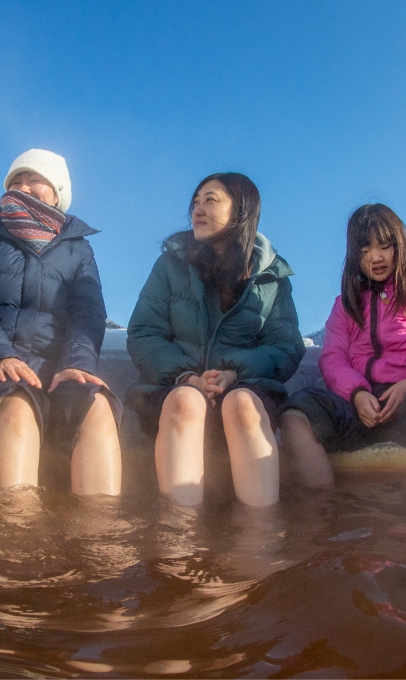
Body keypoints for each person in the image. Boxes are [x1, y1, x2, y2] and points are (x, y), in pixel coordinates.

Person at [0, 149, 122, 495]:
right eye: (16, 181)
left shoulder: (78, 249)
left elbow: (89, 312)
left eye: (35, 180)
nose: (23, 186)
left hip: (54, 372)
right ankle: (15, 536)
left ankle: (99, 537)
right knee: (18, 404)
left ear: (57, 193)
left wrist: (75, 365)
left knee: (96, 407)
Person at [126, 172, 303, 507]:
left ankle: (260, 540)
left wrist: (235, 374)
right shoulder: (170, 265)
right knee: (185, 401)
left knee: (243, 404)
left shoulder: (271, 276)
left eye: (210, 200)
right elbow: (144, 332)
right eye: (195, 202)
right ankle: (178, 540)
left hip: (243, 387)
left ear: (241, 211)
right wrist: (187, 377)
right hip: (172, 387)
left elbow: (286, 345)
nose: (197, 210)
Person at [280, 204, 406, 488]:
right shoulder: (345, 304)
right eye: (365, 250)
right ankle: (322, 514)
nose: (376, 258)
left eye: (384, 246)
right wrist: (356, 393)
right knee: (294, 416)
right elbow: (332, 357)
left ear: (400, 246)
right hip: (359, 404)